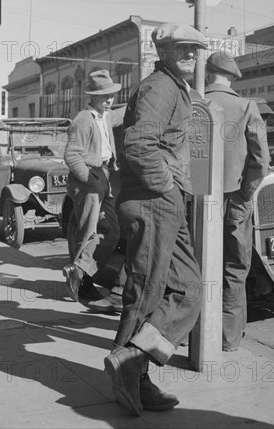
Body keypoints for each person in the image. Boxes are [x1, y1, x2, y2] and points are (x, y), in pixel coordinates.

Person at [103, 22, 208, 416]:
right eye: (180, 48)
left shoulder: (172, 87)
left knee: (189, 291)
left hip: (164, 202)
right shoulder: (160, 86)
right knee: (145, 294)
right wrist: (165, 186)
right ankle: (131, 374)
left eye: (195, 49)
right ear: (162, 51)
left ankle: (132, 361)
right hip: (154, 201)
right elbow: (139, 143)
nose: (189, 54)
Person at [204, 51, 270, 352]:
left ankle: (197, 334)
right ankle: (228, 338)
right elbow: (260, 160)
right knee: (234, 267)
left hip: (199, 198)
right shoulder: (246, 107)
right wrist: (245, 193)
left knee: (198, 263)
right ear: (231, 77)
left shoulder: (193, 103)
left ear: (207, 74)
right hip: (235, 198)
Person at [62, 69, 125, 313]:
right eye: (104, 96)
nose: (109, 99)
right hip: (89, 179)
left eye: (111, 95)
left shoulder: (105, 116)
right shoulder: (83, 119)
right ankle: (83, 283)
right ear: (93, 96)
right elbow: (71, 155)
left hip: (104, 176)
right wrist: (90, 180)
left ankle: (79, 270)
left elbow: (121, 113)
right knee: (89, 231)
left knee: (111, 230)